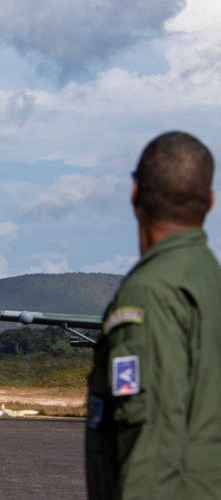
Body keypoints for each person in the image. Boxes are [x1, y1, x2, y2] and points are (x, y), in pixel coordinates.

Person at [85, 131, 221, 499]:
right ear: (209, 202)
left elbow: (153, 454)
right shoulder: (210, 281)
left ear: (135, 195)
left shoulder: (149, 294)